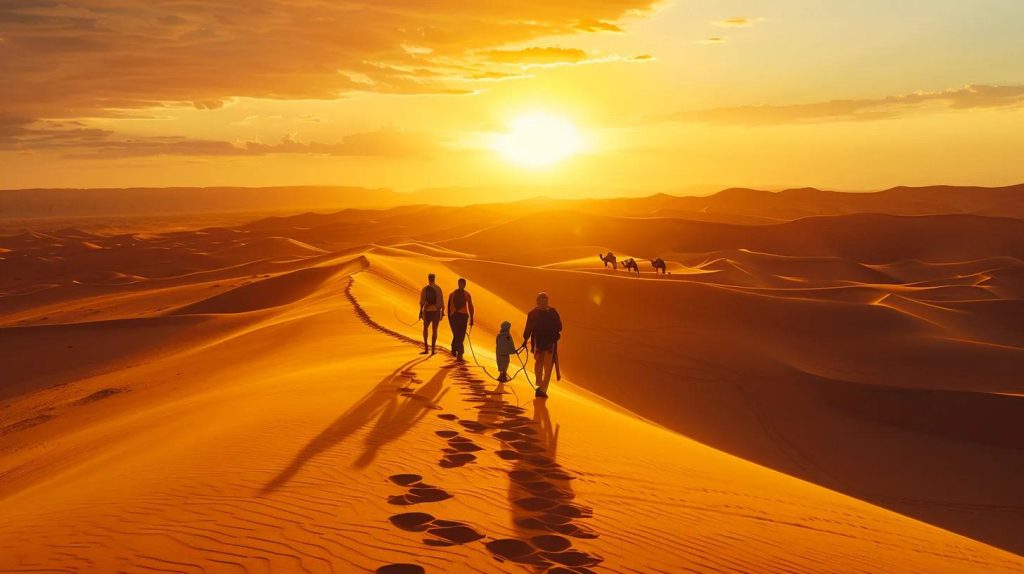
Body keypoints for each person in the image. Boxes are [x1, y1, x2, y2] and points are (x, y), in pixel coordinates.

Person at [522, 292, 562, 399]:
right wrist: (525, 340)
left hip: (550, 344)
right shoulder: (533, 314)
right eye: (542, 300)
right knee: (539, 363)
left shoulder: (553, 312)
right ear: (538, 301)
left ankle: (543, 389)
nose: (544, 302)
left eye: (546, 300)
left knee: (548, 367)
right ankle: (540, 385)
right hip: (538, 344)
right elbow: (528, 328)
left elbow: (559, 327)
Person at [447, 277, 475, 360]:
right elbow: (470, 306)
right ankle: (459, 352)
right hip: (460, 316)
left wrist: (471, 318)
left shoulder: (453, 294)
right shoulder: (464, 294)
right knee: (460, 335)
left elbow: (470, 306)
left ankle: (456, 349)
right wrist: (471, 318)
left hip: (456, 316)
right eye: (462, 283)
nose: (462, 285)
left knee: (458, 334)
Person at [419, 273, 444, 355]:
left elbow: (422, 302)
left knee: (425, 328)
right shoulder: (438, 289)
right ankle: (433, 350)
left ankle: (426, 349)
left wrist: (420, 312)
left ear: (428, 278)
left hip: (427, 311)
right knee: (434, 330)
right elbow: (441, 302)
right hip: (436, 311)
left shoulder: (425, 289)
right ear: (434, 278)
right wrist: (442, 312)